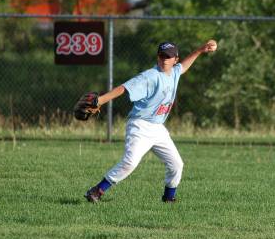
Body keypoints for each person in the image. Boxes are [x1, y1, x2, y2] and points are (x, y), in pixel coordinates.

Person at [84, 40, 217, 203]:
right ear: (157, 57)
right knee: (130, 162)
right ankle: (97, 190)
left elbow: (183, 67)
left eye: (168, 57)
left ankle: (169, 199)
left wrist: (200, 50)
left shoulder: (174, 72)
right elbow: (124, 88)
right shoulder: (150, 76)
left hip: (158, 128)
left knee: (177, 164)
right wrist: (100, 101)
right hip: (140, 125)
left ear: (175, 59)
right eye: (161, 56)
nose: (164, 59)